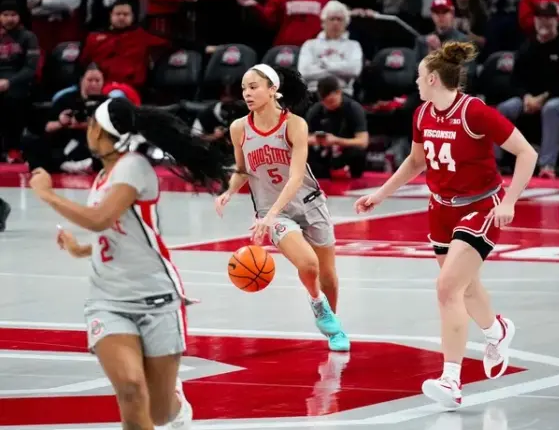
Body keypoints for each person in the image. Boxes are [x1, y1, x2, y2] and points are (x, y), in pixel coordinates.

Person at [27, 97, 233, 429]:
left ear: (109, 133)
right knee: (132, 391)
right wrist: (80, 249)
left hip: (157, 298)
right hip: (107, 301)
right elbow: (111, 233)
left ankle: (175, 403)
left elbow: (99, 218)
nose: (88, 129)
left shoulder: (133, 167)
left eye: (93, 123)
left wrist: (47, 194)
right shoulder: (103, 178)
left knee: (158, 414)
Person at [354, 41, 538, 408]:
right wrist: (381, 193)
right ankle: (497, 330)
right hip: (440, 209)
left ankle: (450, 379)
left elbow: (527, 153)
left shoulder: (475, 112)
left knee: (446, 288)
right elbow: (416, 161)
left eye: (420, 77)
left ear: (434, 78)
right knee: (465, 288)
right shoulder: (422, 114)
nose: (416, 83)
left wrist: (511, 202)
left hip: (481, 207)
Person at [215, 64, 350, 352]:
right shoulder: (239, 127)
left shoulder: (295, 124)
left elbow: (296, 176)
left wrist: (273, 212)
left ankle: (333, 323)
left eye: (253, 87)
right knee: (308, 264)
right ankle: (318, 306)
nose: (247, 94)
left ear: (273, 89)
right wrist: (228, 191)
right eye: (243, 88)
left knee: (328, 274)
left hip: (309, 203)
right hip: (272, 212)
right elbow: (242, 169)